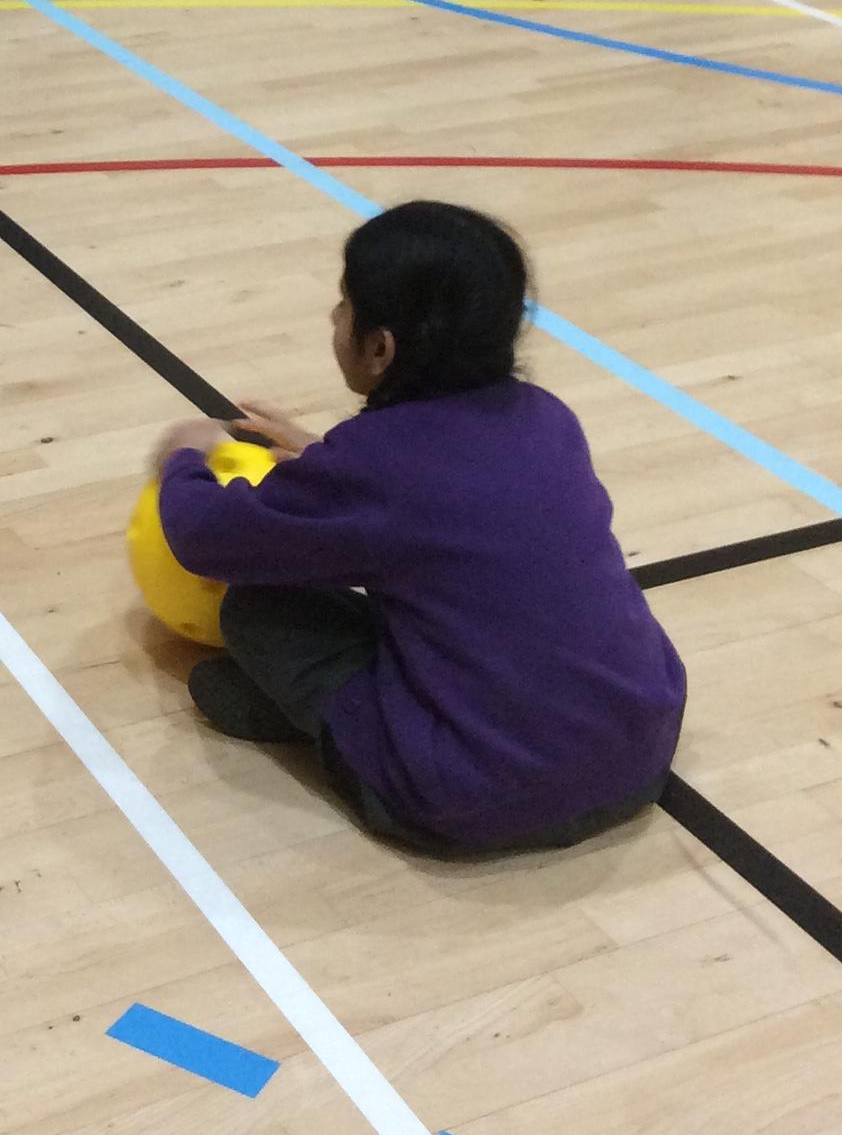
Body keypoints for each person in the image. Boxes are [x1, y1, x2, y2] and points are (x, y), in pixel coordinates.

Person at [149, 202, 685, 856]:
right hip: (639, 754)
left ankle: (326, 727)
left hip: (472, 797)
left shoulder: (377, 468)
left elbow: (206, 539)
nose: (334, 317)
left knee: (260, 609)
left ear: (380, 348)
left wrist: (185, 460)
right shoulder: (549, 419)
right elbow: (440, 501)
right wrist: (326, 457)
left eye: (344, 305)